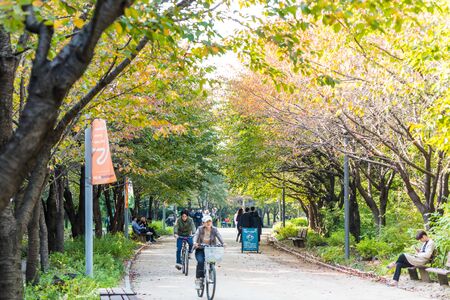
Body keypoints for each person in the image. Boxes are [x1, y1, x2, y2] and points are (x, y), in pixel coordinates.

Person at [193, 215, 224, 290]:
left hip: (211, 249)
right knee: (201, 261)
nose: (208, 223)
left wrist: (223, 243)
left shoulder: (214, 229)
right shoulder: (200, 229)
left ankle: (210, 274)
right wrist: (195, 243)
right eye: (207, 222)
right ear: (203, 223)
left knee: (212, 261)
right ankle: (199, 280)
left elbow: (219, 236)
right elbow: (196, 236)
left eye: (210, 221)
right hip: (200, 249)